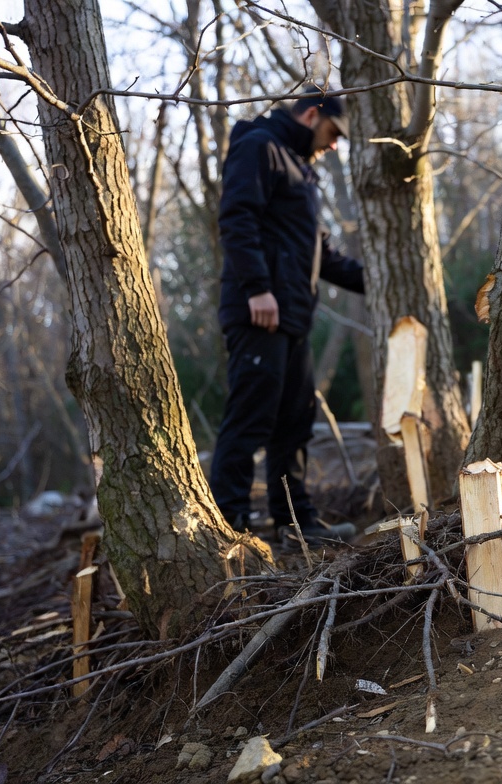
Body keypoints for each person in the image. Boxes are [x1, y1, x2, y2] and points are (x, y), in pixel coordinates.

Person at [211, 86, 364, 544]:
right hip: (257, 312)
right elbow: (236, 218)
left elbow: (323, 254)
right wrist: (257, 288)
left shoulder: (303, 173)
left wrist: (378, 280)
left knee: (295, 421)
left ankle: (294, 523)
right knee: (250, 416)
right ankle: (229, 526)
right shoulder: (259, 146)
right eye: (333, 132)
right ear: (311, 114)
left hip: (293, 318)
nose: (334, 144)